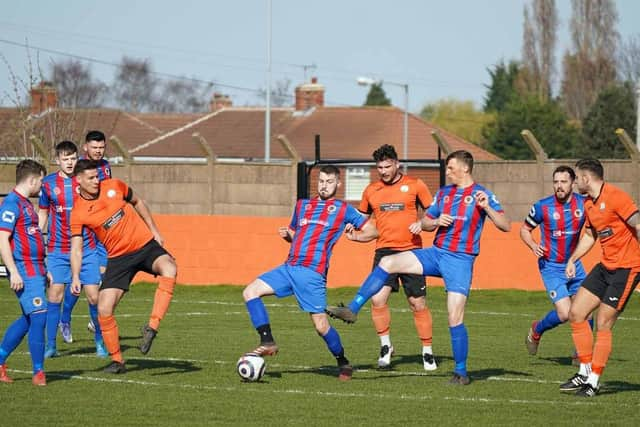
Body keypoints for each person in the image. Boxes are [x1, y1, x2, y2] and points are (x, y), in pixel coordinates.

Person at [327, 150, 511, 385]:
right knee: (387, 262)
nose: (447, 172)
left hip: (460, 260)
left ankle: (461, 372)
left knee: (454, 317)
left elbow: (506, 226)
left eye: (451, 168)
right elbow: (425, 222)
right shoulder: (444, 193)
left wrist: (488, 209)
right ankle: (352, 309)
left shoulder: (482, 194)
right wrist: (434, 221)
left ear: (465, 168)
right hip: (436, 254)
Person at [242, 165, 374, 381]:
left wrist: (357, 237)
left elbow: (372, 230)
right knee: (250, 292)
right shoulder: (303, 205)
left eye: (329, 182)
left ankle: (343, 362)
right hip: (289, 267)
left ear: (338, 184)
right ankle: (267, 341)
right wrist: (288, 236)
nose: (324, 186)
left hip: (312, 273)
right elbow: (297, 235)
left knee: (321, 327)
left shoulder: (343, 209)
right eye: (321, 181)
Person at [70, 159, 177, 374]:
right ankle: (117, 361)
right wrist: (75, 277)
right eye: (90, 178)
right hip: (119, 259)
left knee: (170, 268)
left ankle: (152, 327)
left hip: (145, 246)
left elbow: (138, 201)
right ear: (78, 180)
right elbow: (76, 248)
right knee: (103, 308)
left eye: (97, 176)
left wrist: (154, 230)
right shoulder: (78, 212)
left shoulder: (114, 185)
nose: (96, 180)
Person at [344, 144, 436, 370]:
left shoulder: (416, 185)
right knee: (377, 299)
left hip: (412, 253)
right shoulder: (370, 191)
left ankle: (427, 351)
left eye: (387, 166)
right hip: (384, 253)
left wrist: (422, 224)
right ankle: (386, 347)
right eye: (379, 168)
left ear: (397, 164)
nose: (383, 171)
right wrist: (355, 236)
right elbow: (367, 227)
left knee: (417, 303)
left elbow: (434, 217)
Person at [559, 159, 640, 397]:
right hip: (605, 266)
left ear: (586, 178)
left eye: (576, 177)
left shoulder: (616, 196)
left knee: (603, 322)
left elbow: (638, 224)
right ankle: (584, 372)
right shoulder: (589, 204)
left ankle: (593, 382)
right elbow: (590, 236)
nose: (573, 183)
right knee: (576, 313)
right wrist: (573, 259)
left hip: (627, 268)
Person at [37, 141, 107, 358]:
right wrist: (39, 241)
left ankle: (100, 343)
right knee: (55, 295)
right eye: (65, 159)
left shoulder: (88, 180)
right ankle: (51, 345)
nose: (69, 163)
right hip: (58, 250)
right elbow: (43, 214)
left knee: (94, 297)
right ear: (57, 160)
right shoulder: (48, 184)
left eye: (72, 158)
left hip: (87, 248)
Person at [521, 166, 590, 358]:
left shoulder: (584, 204)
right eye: (556, 182)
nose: (559, 186)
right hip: (550, 267)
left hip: (574, 265)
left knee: (587, 309)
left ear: (573, 182)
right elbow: (524, 230)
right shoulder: (543, 207)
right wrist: (533, 245)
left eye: (564, 182)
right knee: (566, 313)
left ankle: (581, 354)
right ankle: (537, 330)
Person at [0, 159, 48, 386]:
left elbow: (33, 237)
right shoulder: (11, 204)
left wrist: (44, 268)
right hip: (24, 270)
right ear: (32, 179)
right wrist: (13, 272)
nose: (42, 186)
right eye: (41, 180)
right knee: (39, 317)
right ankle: (39, 372)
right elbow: (2, 239)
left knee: (29, 319)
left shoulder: (26, 204)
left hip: (36, 269)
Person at [60, 130, 112, 339]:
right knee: (81, 279)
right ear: (85, 148)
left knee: (101, 278)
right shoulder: (77, 167)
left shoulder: (106, 166)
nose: (98, 151)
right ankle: (65, 317)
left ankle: (93, 320)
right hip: (82, 228)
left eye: (101, 148)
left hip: (101, 228)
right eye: (94, 148)